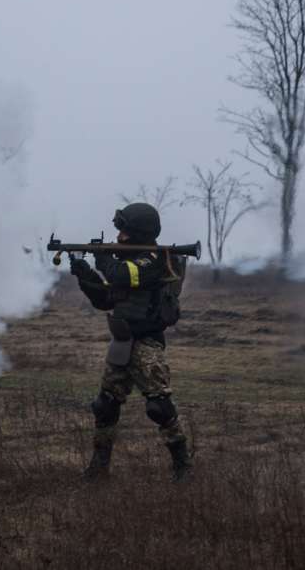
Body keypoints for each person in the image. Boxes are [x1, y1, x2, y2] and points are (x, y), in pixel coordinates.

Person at [69, 202, 193, 482]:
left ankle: (183, 466)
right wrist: (84, 274)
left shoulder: (153, 260)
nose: (120, 236)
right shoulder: (131, 261)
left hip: (147, 344)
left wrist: (101, 258)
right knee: (105, 405)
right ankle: (99, 467)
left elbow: (120, 275)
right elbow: (105, 299)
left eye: (125, 230)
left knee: (159, 407)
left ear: (139, 232)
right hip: (122, 342)